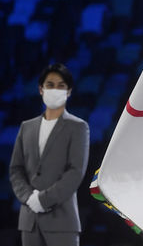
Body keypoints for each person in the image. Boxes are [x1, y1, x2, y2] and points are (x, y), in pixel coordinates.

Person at [10, 63, 90, 246]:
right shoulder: (26, 127)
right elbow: (16, 169)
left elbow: (75, 172)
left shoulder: (78, 127)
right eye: (50, 85)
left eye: (61, 86)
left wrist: (43, 200)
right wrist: (29, 197)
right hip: (29, 221)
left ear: (69, 91)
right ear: (41, 89)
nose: (55, 89)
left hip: (61, 221)